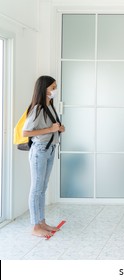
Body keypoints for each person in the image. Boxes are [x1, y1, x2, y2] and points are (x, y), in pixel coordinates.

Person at [22, 76, 65, 238]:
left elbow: (53, 127)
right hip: (39, 150)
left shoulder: (50, 107)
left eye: (55, 87)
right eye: (52, 87)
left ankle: (42, 222)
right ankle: (35, 226)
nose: (55, 90)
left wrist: (59, 128)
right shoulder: (38, 109)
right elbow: (25, 133)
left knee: (43, 188)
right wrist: (49, 129)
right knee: (36, 188)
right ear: (44, 89)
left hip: (50, 149)